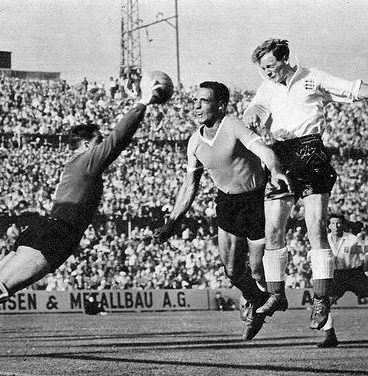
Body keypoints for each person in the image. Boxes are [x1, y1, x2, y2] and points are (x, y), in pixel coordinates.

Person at [0, 73, 169, 354]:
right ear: (85, 144)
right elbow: (119, 139)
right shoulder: (87, 161)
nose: (102, 146)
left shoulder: (75, 163)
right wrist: (142, 103)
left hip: (44, 227)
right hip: (58, 233)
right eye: (97, 141)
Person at [243, 38, 368, 330]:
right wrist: (252, 115)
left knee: (317, 227)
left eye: (271, 65)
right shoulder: (267, 87)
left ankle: (322, 299)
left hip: (310, 152)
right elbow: (256, 109)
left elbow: (353, 89)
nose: (268, 72)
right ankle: (276, 294)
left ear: (285, 57)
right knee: (273, 229)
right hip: (280, 156)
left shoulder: (313, 78)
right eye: (263, 68)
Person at [154, 81, 291, 340]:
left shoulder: (233, 124)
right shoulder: (194, 142)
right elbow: (188, 186)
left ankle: (259, 301)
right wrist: (172, 222)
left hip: (254, 201)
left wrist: (275, 170)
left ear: (220, 104)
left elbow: (263, 149)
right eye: (196, 100)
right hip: (227, 203)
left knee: (257, 270)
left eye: (204, 100)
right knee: (231, 271)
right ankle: (257, 301)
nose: (196, 105)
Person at [316, 214, 368, 347]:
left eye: (339, 223)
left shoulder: (352, 239)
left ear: (343, 225)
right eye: (333, 223)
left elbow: (365, 252)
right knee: (323, 304)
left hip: (355, 274)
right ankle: (330, 337)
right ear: (329, 226)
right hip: (337, 276)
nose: (336, 226)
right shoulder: (324, 239)